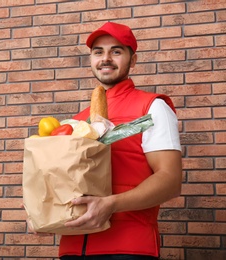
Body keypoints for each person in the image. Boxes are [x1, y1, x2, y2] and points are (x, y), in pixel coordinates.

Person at [58, 22, 183, 259]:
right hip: (72, 248)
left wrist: (111, 204)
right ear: (91, 60)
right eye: (98, 52)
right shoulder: (78, 122)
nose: (106, 58)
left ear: (132, 60)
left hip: (128, 248)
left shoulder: (152, 107)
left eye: (116, 51)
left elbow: (170, 180)